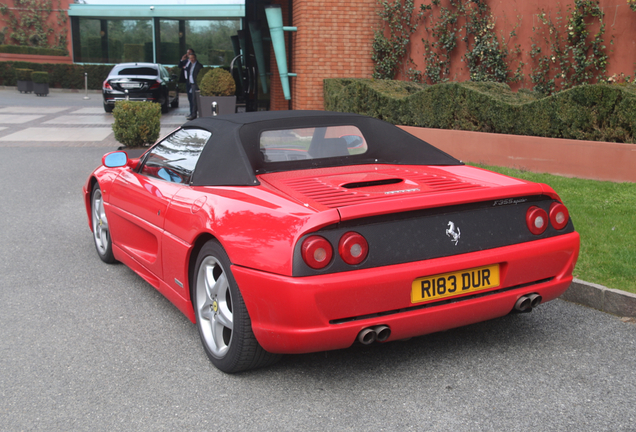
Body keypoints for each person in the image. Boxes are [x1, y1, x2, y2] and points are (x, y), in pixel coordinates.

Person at [183, 51, 202, 120]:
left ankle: (194, 114)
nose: (192, 59)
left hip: (195, 85)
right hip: (190, 84)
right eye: (190, 58)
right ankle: (192, 113)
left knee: (195, 99)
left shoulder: (198, 66)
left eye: (193, 58)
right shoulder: (190, 65)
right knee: (191, 99)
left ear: (195, 58)